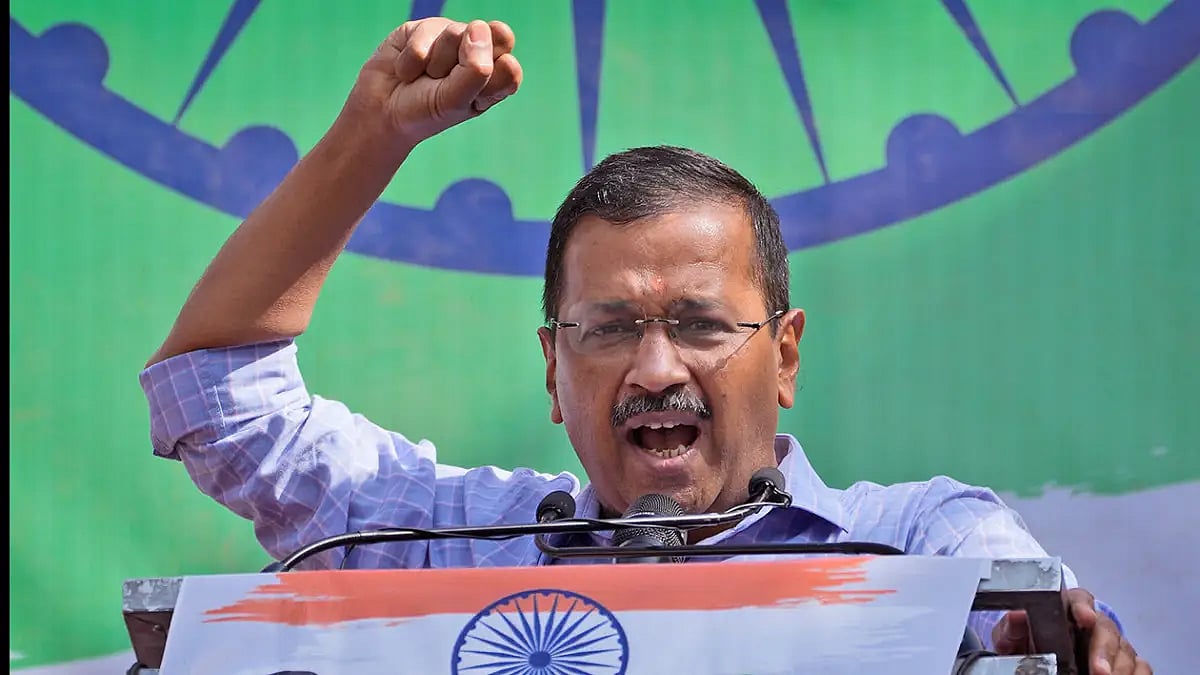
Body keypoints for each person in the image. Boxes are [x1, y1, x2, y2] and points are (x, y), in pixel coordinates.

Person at [139, 16, 1151, 675]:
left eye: (703, 325)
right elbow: (222, 397)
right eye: (610, 329)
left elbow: (1029, 619)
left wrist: (1058, 643)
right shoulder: (441, 546)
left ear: (786, 355)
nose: (656, 369)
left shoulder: (920, 542)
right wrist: (374, 132)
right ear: (551, 368)